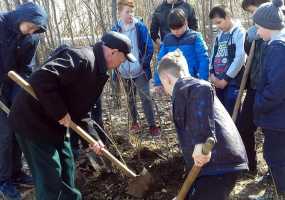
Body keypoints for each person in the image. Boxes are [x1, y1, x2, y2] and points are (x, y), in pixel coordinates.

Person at [8, 31, 135, 200]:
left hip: (55, 124)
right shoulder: (80, 58)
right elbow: (41, 79)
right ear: (113, 52)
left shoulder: (98, 71)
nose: (123, 62)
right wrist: (60, 111)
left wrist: (92, 138)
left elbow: (83, 110)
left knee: (67, 170)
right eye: (124, 58)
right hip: (33, 122)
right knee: (50, 179)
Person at [157, 50, 248, 200]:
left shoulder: (190, 87)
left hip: (218, 164)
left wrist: (202, 140)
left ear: (166, 78)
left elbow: (203, 89)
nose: (166, 91)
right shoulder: (187, 92)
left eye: (162, 84)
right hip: (213, 165)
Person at [0, 2, 48, 199]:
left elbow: (25, 69)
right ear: (23, 15)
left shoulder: (31, 38)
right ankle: (3, 180)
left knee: (17, 127)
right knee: (4, 135)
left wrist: (20, 97)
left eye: (36, 29)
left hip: (12, 84)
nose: (32, 31)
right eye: (31, 25)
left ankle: (17, 173)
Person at [251, 0, 285, 198]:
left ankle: (278, 191)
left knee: (275, 155)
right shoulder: (275, 45)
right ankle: (274, 180)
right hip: (277, 116)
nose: (256, 32)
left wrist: (259, 104)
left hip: (277, 117)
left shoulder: (278, 49)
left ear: (269, 27)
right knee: (276, 153)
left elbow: (277, 88)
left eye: (258, 28)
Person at [112, 0, 160, 136]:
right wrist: (117, 67)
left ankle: (152, 125)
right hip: (124, 71)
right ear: (120, 13)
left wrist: (142, 64)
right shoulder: (115, 29)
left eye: (132, 11)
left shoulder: (140, 27)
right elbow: (111, 50)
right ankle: (135, 122)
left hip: (140, 71)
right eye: (127, 12)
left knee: (146, 97)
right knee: (130, 98)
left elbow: (148, 47)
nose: (130, 14)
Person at [237, 0, 269, 177]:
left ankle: (273, 175)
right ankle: (250, 167)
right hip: (254, 88)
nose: (252, 16)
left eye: (254, 11)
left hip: (271, 91)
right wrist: (249, 39)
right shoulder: (254, 31)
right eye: (250, 13)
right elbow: (249, 55)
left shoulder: (279, 31)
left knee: (270, 133)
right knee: (244, 127)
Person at [153, 8, 209, 89]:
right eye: (173, 29)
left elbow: (203, 59)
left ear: (186, 23)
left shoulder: (195, 37)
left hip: (193, 81)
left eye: (179, 28)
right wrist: (158, 82)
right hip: (174, 84)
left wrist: (203, 81)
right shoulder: (167, 39)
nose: (176, 31)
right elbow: (161, 61)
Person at [209, 5, 246, 115]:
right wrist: (212, 74)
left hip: (232, 81)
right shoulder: (219, 36)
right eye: (215, 23)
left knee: (232, 105)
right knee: (222, 109)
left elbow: (240, 58)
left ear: (228, 17)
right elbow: (213, 55)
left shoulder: (239, 32)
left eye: (219, 22)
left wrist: (226, 79)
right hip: (217, 79)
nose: (217, 26)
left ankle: (237, 131)